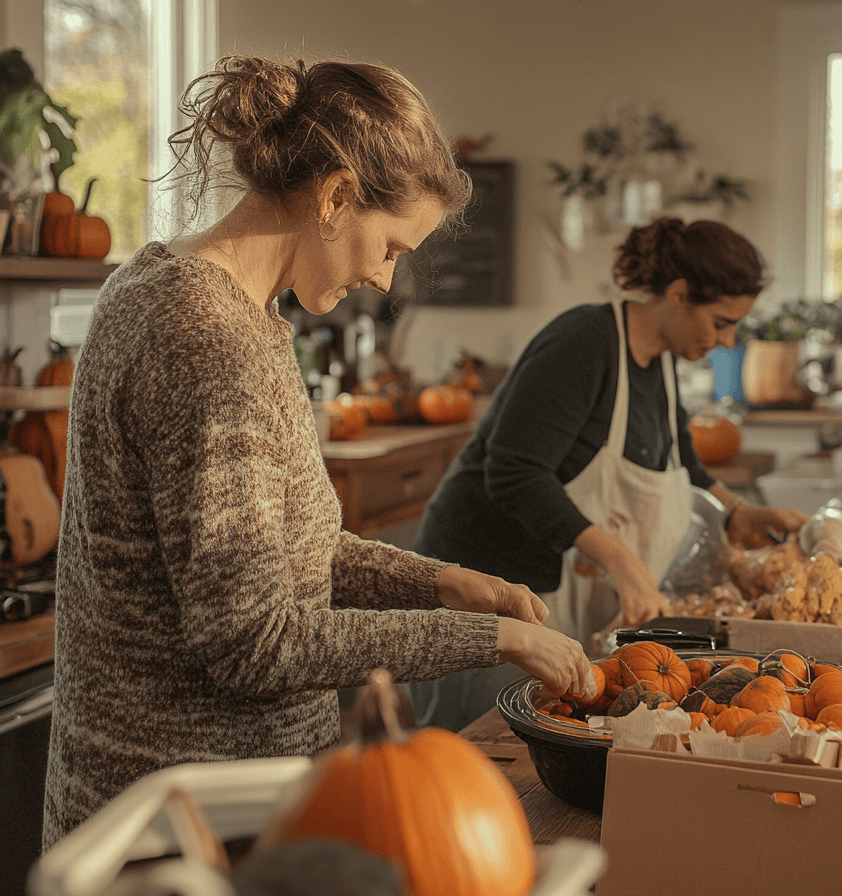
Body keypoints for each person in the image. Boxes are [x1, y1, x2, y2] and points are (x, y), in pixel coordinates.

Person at [42, 55, 589, 848]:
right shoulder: (208, 341)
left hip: (191, 804)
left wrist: (440, 582)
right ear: (335, 195)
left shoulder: (184, 294)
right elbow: (255, 641)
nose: (386, 279)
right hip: (187, 824)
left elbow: (291, 555)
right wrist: (494, 641)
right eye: (394, 247)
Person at [411, 217, 808, 729]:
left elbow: (682, 460)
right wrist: (622, 562)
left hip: (551, 592)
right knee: (473, 748)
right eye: (721, 322)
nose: (728, 341)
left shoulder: (662, 360)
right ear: (679, 294)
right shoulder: (585, 343)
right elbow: (513, 472)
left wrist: (740, 511)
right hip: (485, 583)